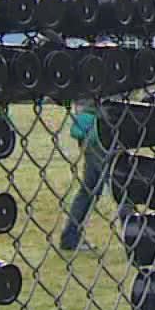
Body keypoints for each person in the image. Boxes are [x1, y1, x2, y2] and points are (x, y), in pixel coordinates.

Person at [59, 99, 110, 252]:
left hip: (97, 129)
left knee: (90, 189)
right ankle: (136, 238)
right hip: (100, 130)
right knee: (120, 189)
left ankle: (70, 236)